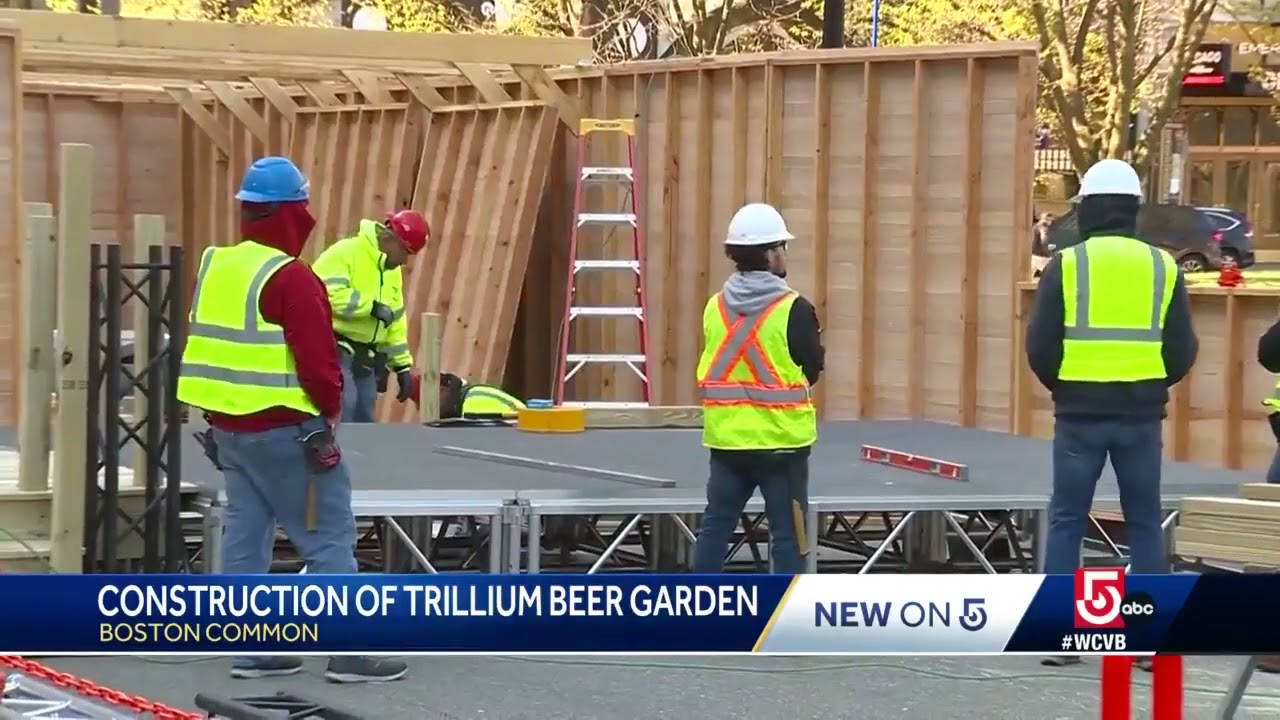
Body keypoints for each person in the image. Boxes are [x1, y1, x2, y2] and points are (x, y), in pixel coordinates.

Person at [177, 157, 407, 684]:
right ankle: (350, 654)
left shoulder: (215, 264)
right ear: (291, 212)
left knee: (246, 536)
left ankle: (252, 650)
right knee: (327, 538)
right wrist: (329, 412)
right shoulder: (291, 277)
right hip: (287, 435)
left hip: (228, 433)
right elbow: (320, 362)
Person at [1025, 159, 1198, 668]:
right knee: (1145, 521)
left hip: (1079, 413)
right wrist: (1150, 385)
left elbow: (1040, 345)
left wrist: (1067, 386)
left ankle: (1062, 637)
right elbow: (1182, 348)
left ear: (1089, 209)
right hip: (1142, 416)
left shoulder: (1069, 264)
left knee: (1066, 521)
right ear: (1133, 210)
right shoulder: (1163, 266)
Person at [689, 203, 824, 575]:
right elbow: (811, 368)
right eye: (782, 246)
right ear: (771, 253)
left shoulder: (714, 307)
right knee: (788, 538)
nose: (785, 254)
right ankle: (783, 620)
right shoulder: (795, 309)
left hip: (728, 443)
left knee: (715, 528)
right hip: (782, 446)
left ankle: (695, 617)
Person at [311, 211, 429, 422]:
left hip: (366, 355)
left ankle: (356, 455)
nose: (404, 261)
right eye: (405, 252)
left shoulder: (391, 271)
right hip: (334, 346)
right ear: (389, 237)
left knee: (364, 409)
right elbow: (323, 294)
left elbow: (395, 321)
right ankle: (334, 454)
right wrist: (370, 307)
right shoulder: (346, 253)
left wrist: (402, 366)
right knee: (344, 405)